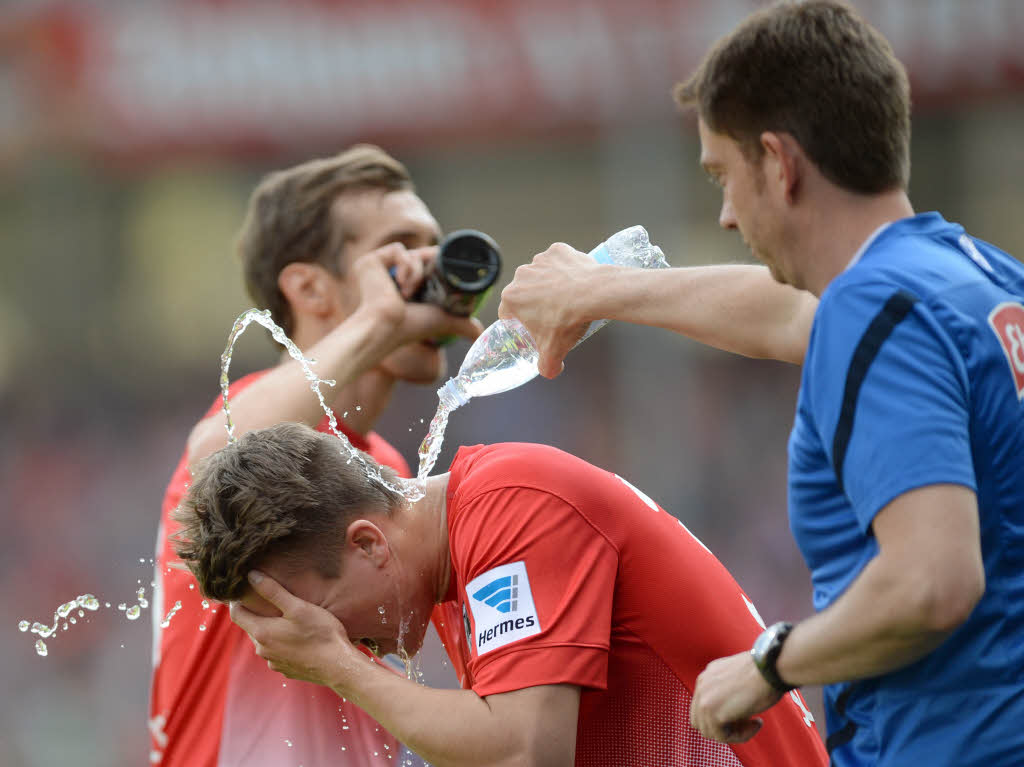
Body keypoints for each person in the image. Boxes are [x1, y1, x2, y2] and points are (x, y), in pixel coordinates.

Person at [501, 2, 1024, 765]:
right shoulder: (977, 278)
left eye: (722, 175)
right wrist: (599, 288)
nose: (723, 215)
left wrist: (766, 664)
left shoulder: (872, 309)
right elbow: (790, 314)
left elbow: (934, 581)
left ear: (779, 164)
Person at [173, 421, 828, 766]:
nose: (333, 641)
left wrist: (339, 664)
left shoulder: (509, 504)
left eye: (316, 616)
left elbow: (522, 752)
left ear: (369, 543)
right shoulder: (460, 563)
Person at [149, 144, 482, 767]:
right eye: (398, 250)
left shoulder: (379, 465)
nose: (428, 270)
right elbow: (219, 453)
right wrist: (379, 322)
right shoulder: (248, 426)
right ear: (308, 287)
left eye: (432, 245)